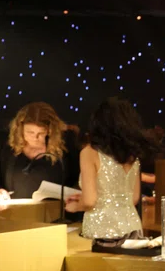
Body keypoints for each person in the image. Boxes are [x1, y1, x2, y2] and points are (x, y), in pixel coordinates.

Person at [64, 97, 150, 244]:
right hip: (133, 228)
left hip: (101, 230)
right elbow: (133, 198)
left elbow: (90, 201)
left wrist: (75, 206)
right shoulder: (133, 155)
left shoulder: (90, 152)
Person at [0, 102, 68, 202]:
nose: (35, 137)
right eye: (30, 132)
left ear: (50, 131)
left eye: (41, 133)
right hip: (12, 211)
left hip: (53, 212)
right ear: (20, 129)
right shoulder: (6, 148)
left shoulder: (63, 149)